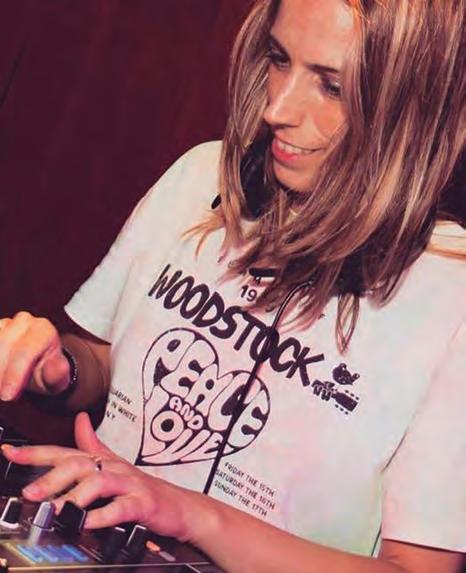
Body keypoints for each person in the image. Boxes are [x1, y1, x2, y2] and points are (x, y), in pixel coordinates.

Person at [0, 0, 465, 570]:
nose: (277, 108)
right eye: (279, 58)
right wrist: (58, 368)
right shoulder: (204, 174)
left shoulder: (453, 297)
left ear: (415, 111)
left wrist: (192, 514)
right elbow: (104, 363)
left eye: (333, 87)